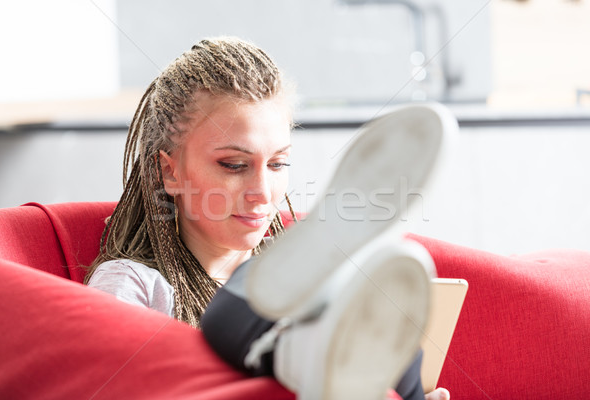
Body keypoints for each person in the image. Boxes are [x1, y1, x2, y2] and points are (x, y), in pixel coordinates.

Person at [84, 36, 453, 400]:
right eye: (234, 165)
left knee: (384, 317)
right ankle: (298, 351)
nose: (262, 191)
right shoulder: (133, 284)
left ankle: (316, 351)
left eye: (278, 164)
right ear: (171, 172)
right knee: (234, 313)